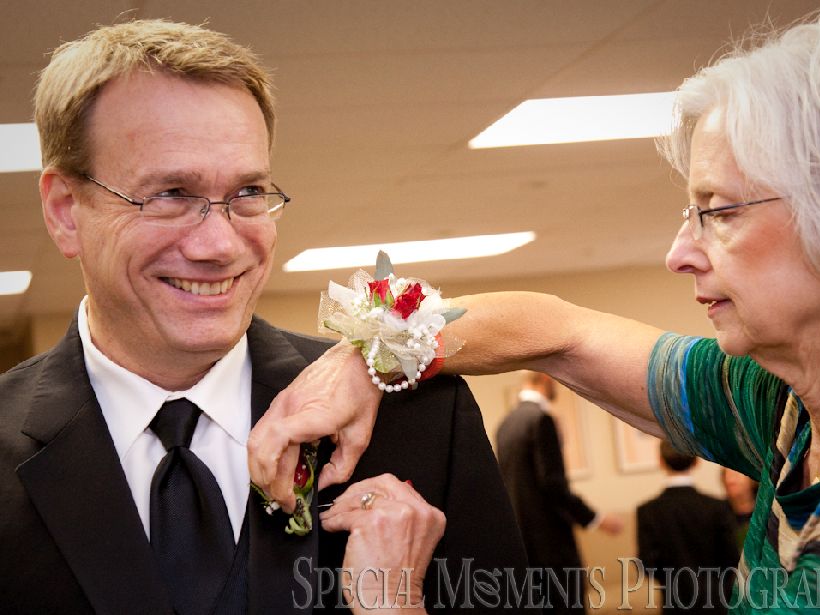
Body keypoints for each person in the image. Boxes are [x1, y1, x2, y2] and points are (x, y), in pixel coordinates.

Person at [251, 10, 820, 612]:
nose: (680, 253)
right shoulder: (787, 409)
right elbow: (559, 332)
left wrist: (391, 600)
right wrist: (366, 350)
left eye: (720, 212)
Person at [0, 19, 529, 614]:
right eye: (171, 194)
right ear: (67, 211)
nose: (220, 245)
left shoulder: (420, 421)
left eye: (248, 192)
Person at [495, 372, 623, 614]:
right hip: (550, 545)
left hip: (525, 543)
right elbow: (553, 484)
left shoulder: (506, 424)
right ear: (545, 378)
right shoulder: (541, 419)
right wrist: (595, 518)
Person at [637, 441, 738, 614]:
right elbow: (731, 559)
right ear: (697, 462)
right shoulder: (717, 507)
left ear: (660, 462)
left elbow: (647, 566)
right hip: (715, 602)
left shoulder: (648, 511)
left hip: (674, 603)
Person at [721, 467, 758, 552]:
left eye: (736, 475)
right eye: (726, 475)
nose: (730, 480)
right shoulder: (718, 512)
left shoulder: (765, 514)